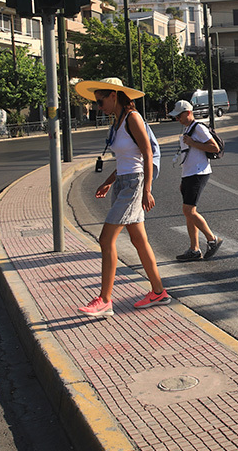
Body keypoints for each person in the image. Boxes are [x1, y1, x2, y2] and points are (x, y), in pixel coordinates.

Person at [75, 78, 170, 318]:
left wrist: (147, 189)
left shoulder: (132, 118)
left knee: (106, 239)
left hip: (135, 185)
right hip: (122, 184)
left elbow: (147, 153)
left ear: (114, 96)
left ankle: (105, 300)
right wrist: (108, 182)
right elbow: (125, 161)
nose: (98, 107)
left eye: (100, 101)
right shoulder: (117, 122)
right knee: (139, 241)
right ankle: (158, 291)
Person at [168, 100, 223, 262]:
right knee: (188, 213)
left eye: (179, 115)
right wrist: (183, 178)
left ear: (188, 112)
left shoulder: (198, 128)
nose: (177, 119)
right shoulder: (188, 128)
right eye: (176, 116)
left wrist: (193, 143)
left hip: (198, 173)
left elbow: (215, 148)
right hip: (189, 174)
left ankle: (212, 239)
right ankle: (194, 249)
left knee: (189, 211)